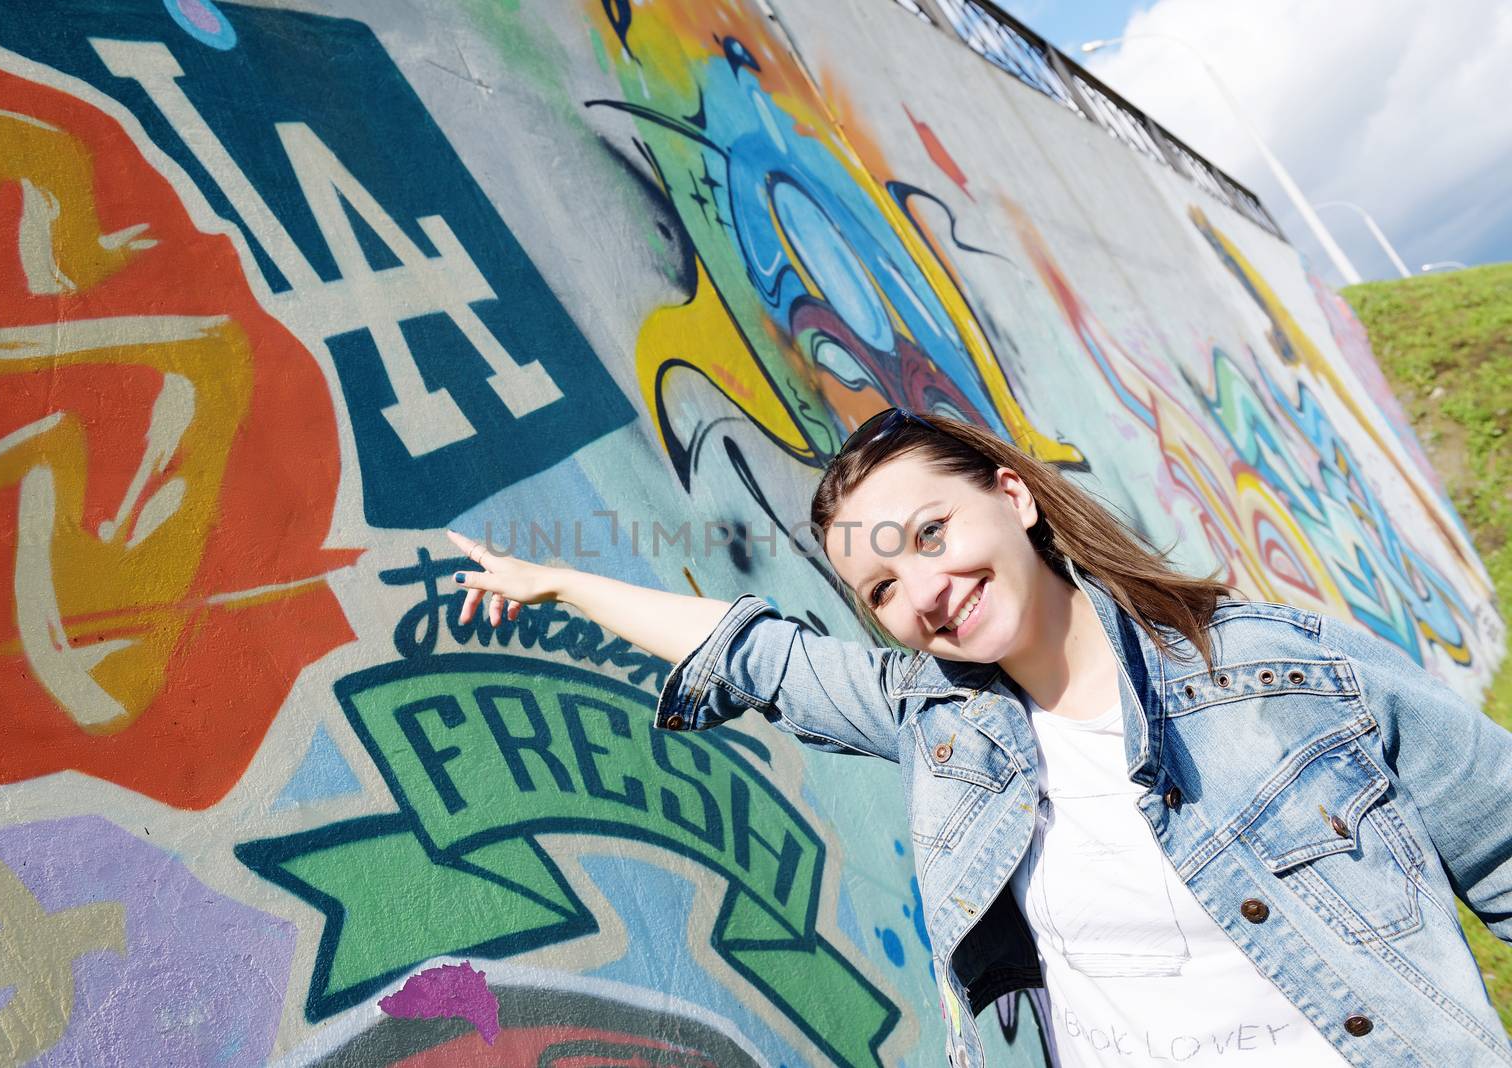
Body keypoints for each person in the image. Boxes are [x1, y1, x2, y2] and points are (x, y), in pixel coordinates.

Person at [446, 407, 1512, 1067]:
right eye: (881, 585)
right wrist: (557, 580)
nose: (926, 591)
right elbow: (756, 653)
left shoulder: (1277, 668)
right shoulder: (943, 724)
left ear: (1013, 498)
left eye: (929, 535)